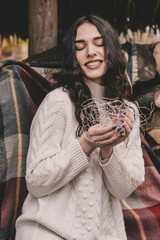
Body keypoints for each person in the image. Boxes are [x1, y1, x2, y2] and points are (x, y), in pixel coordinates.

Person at [15, 15, 145, 240]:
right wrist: (85, 144)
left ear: (111, 49)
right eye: (80, 46)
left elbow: (123, 190)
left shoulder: (127, 112)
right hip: (48, 231)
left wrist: (108, 151)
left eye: (99, 43)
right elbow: (36, 182)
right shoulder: (59, 102)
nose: (91, 52)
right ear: (73, 57)